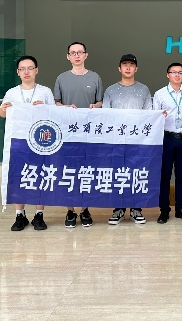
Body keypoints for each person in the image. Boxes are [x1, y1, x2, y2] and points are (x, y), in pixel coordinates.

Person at [0, 55, 55, 231]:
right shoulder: (12, 93)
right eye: (22, 69)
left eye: (30, 68)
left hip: (40, 140)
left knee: (40, 175)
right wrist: (3, 109)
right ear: (18, 72)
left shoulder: (45, 91)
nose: (26, 72)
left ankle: (39, 214)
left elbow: (54, 114)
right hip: (18, 140)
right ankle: (20, 214)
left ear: (36, 70)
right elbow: (2, 113)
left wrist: (44, 108)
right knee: (19, 175)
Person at [54, 41, 104, 229]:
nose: (76, 55)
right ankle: (70, 210)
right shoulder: (61, 78)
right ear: (68, 56)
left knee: (86, 171)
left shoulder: (95, 77)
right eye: (73, 53)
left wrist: (94, 106)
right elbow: (56, 103)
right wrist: (65, 107)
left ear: (85, 55)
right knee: (68, 171)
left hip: (89, 133)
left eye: (80, 52)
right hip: (67, 133)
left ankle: (84, 209)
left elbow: (100, 102)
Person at [102, 53, 153, 225]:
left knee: (136, 173)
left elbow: (149, 115)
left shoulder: (144, 89)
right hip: (117, 140)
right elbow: (106, 116)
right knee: (118, 174)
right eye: (125, 65)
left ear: (136, 68)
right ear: (119, 68)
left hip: (137, 140)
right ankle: (118, 209)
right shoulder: (110, 90)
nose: (128, 68)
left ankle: (136, 209)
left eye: (131, 65)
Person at [153, 62, 182, 224]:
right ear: (168, 75)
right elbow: (154, 118)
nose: (177, 75)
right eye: (174, 72)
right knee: (164, 176)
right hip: (166, 139)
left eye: (180, 72)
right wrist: (160, 116)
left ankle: (180, 209)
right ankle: (164, 210)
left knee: (181, 176)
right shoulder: (160, 94)